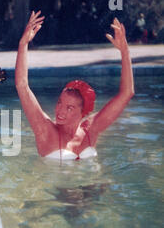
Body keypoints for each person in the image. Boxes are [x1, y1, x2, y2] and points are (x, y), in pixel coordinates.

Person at [15, 11, 134, 161]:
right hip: (59, 185)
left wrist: (125, 52)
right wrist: (23, 44)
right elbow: (22, 85)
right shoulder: (45, 130)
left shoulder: (91, 129)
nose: (60, 110)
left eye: (69, 108)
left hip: (95, 184)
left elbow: (127, 93)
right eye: (60, 103)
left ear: (82, 112)